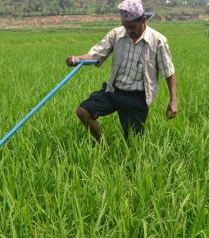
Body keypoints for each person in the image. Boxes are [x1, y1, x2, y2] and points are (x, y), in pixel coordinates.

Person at [66, 0, 178, 142]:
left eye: (132, 26)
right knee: (83, 111)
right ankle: (102, 145)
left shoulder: (158, 41)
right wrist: (77, 59)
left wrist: (173, 100)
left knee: (133, 142)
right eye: (126, 26)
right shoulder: (116, 34)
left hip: (138, 98)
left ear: (143, 20)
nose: (129, 31)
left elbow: (168, 72)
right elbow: (95, 54)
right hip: (114, 91)